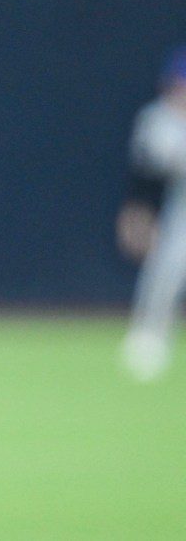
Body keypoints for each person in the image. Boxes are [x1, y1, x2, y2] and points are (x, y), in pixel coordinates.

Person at [118, 49, 186, 382]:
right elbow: (145, 176)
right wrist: (138, 213)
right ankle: (147, 336)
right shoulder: (157, 120)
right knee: (166, 270)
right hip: (178, 207)